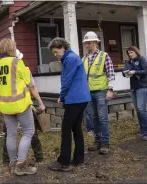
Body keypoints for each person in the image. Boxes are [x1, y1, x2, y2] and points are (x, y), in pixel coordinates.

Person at [0, 38, 45, 176]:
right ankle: (20, 165)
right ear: (12, 48)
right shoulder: (17, 62)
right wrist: (40, 102)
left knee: (11, 134)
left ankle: (12, 162)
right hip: (21, 104)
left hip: (5, 105)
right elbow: (31, 85)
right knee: (28, 131)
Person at [47, 37, 91, 172]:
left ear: (62, 48)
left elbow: (66, 80)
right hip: (81, 98)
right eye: (53, 53)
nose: (55, 55)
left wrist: (61, 96)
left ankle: (63, 162)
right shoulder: (71, 57)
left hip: (75, 99)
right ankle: (79, 160)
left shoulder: (70, 59)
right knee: (76, 128)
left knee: (66, 129)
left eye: (56, 52)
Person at [82, 31, 115, 155]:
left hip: (101, 91)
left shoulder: (104, 56)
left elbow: (110, 73)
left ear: (95, 42)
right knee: (93, 118)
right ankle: (97, 141)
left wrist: (110, 90)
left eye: (89, 43)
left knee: (102, 118)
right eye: (86, 43)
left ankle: (105, 143)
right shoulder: (84, 58)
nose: (87, 46)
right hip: (88, 93)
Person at [122, 46, 147, 141]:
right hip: (134, 88)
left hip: (143, 86)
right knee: (138, 110)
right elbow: (124, 72)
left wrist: (135, 72)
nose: (130, 54)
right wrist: (126, 72)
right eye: (129, 53)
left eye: (131, 52)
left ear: (136, 52)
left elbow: (146, 70)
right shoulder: (128, 62)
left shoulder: (141, 59)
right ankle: (143, 130)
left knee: (141, 108)